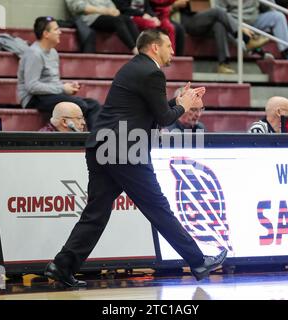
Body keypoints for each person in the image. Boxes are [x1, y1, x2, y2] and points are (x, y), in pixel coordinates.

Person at [44, 29, 228, 287]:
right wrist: (183, 106)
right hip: (124, 149)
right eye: (168, 46)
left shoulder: (133, 68)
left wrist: (178, 100)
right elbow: (164, 118)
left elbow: (150, 109)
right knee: (157, 206)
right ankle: (198, 260)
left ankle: (62, 266)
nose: (172, 51)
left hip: (102, 146)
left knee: (96, 213)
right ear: (154, 47)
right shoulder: (153, 72)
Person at [17, 16, 100, 130]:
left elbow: (53, 81)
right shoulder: (34, 54)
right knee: (80, 106)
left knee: (93, 104)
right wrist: (62, 88)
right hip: (34, 98)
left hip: (50, 94)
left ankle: (95, 141)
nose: (60, 32)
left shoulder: (53, 52)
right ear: (46, 34)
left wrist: (67, 87)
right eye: (56, 29)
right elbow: (32, 86)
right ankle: (84, 141)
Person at [176, 1, 269, 74]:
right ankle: (246, 39)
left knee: (219, 24)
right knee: (218, 12)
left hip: (206, 20)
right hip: (188, 22)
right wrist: (176, 4)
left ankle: (223, 63)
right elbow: (165, 6)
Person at [216, 0, 288, 60]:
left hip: (254, 20)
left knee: (278, 16)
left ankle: (287, 51)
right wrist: (238, 25)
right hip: (235, 23)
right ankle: (258, 52)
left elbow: (271, 8)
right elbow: (221, 14)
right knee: (225, 27)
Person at [65, 0, 140, 54]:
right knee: (117, 21)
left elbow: (111, 6)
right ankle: (134, 50)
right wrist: (104, 11)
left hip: (106, 16)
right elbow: (80, 7)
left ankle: (142, 49)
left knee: (127, 19)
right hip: (88, 18)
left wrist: (113, 11)